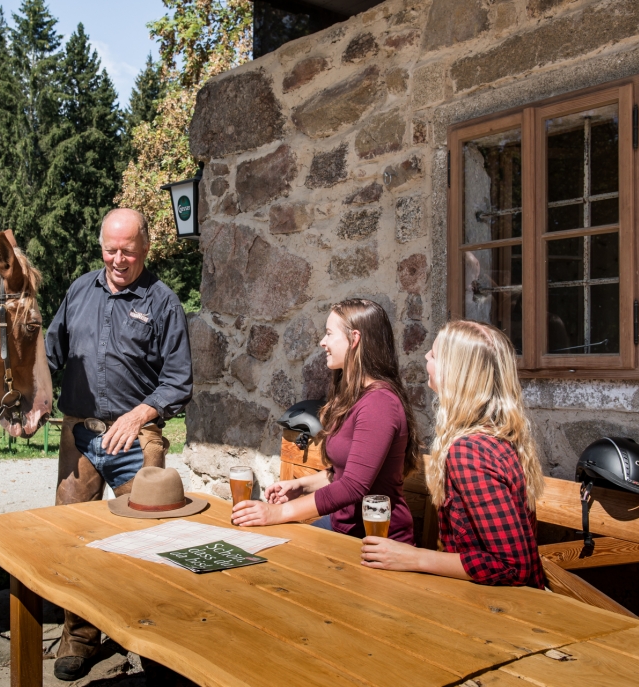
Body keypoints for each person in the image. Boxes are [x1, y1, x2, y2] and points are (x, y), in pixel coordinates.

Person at [44, 208, 193, 680]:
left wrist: (139, 413)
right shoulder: (78, 290)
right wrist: (27, 398)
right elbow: (50, 350)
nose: (118, 259)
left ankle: (144, 636)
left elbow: (178, 381)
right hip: (81, 434)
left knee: (146, 539)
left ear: (145, 248)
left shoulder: (163, 301)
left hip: (138, 437)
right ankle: (81, 636)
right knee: (74, 536)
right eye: (110, 249)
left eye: (128, 249)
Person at [360, 320, 547, 589]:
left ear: (456, 372)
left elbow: (514, 566)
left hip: (500, 612)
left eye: (434, 355)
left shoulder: (470, 450)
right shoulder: (496, 433)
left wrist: (414, 557)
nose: (426, 356)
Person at [232, 299, 418, 543]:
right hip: (343, 528)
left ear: (355, 339)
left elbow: (353, 486)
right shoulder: (354, 395)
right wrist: (302, 486)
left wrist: (278, 512)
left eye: (329, 333)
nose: (322, 342)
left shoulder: (379, 404)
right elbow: (343, 473)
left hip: (378, 541)